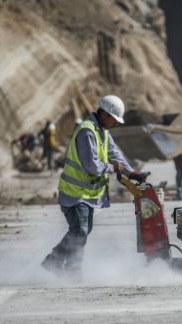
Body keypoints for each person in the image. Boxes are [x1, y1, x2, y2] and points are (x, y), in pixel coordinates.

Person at [41, 95, 148, 277]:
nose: (115, 124)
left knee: (82, 230)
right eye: (114, 120)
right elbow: (92, 166)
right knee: (80, 231)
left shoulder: (102, 131)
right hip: (75, 194)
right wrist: (113, 168)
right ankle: (72, 270)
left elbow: (115, 153)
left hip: (86, 195)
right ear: (106, 114)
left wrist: (131, 172)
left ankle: (54, 261)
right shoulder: (87, 132)